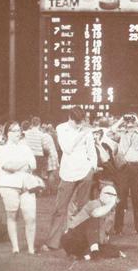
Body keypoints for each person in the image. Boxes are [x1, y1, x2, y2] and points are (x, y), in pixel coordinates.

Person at [42, 106, 97, 251]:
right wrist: (82, 133)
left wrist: (93, 167)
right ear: (69, 118)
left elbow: (92, 151)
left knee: (83, 208)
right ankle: (53, 242)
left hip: (85, 172)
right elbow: (67, 148)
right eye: (76, 122)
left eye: (81, 122)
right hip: (67, 173)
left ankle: (82, 241)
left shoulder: (86, 130)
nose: (79, 124)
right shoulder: (61, 128)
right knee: (60, 208)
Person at [0, 121, 37, 254]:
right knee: (12, 215)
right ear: (8, 133)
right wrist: (24, 163)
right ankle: (15, 247)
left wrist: (19, 165)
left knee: (31, 217)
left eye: (19, 131)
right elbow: (7, 166)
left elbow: (34, 164)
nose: (18, 133)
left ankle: (31, 248)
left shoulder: (25, 147)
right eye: (15, 131)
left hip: (27, 185)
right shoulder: (2, 148)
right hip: (9, 185)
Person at [111, 113, 138, 235]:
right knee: (121, 199)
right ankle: (118, 228)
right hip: (124, 168)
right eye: (127, 124)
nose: (130, 125)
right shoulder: (120, 135)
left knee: (137, 199)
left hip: (137, 168)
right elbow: (109, 132)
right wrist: (120, 120)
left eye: (132, 123)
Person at [60, 185, 119, 260]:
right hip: (71, 238)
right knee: (93, 220)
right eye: (112, 197)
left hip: (84, 241)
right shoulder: (94, 204)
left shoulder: (109, 210)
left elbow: (103, 235)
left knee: (113, 250)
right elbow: (96, 214)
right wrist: (111, 204)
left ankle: (85, 257)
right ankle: (94, 252)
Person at [24, 116, 48, 181]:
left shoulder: (27, 133)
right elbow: (45, 147)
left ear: (32, 123)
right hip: (39, 156)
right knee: (38, 176)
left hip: (29, 156)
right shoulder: (41, 134)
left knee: (29, 174)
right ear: (39, 124)